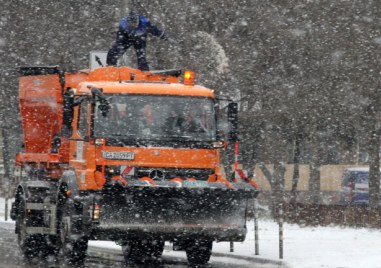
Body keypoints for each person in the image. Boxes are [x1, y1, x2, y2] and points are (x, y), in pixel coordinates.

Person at [106, 11, 170, 71]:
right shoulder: (123, 25)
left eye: (136, 22)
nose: (135, 25)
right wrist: (120, 47)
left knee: (141, 55)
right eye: (132, 23)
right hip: (126, 37)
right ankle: (111, 66)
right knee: (115, 50)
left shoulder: (145, 22)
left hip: (140, 38)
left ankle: (143, 70)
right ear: (128, 23)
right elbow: (119, 39)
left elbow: (155, 31)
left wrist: (165, 37)